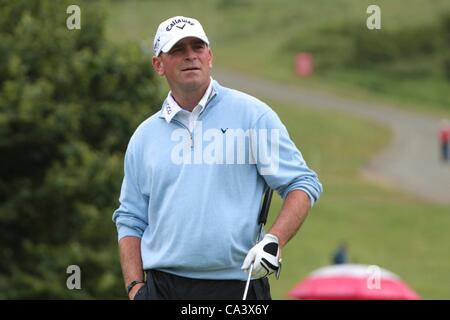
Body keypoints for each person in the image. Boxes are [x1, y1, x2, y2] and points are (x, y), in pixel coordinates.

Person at [112, 15, 323, 300]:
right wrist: (135, 288)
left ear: (210, 56)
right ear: (158, 65)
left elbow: (302, 183)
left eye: (197, 47)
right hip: (163, 288)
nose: (190, 56)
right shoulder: (144, 136)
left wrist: (274, 241)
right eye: (178, 50)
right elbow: (130, 218)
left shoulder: (253, 116)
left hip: (238, 287)